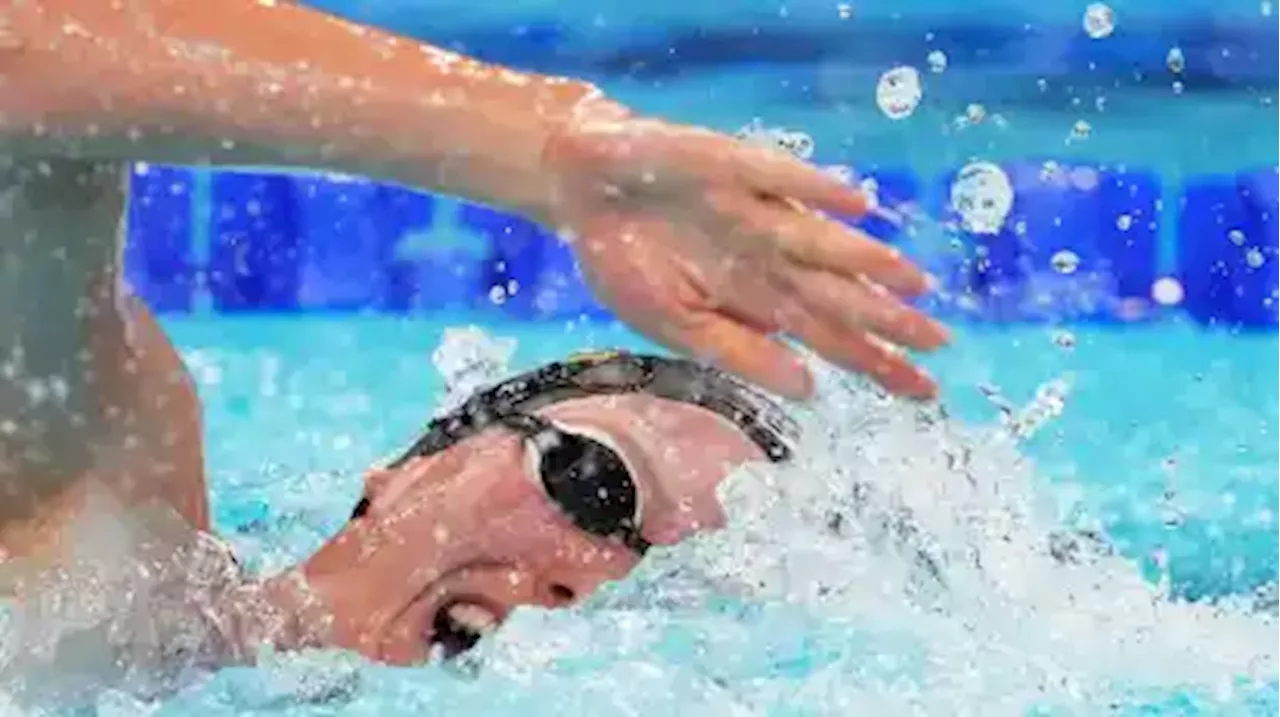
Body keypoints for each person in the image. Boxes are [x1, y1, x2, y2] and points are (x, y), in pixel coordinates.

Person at [0, 0, 951, 698]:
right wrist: (550, 149)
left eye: (683, 591)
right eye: (597, 484)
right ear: (407, 472)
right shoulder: (109, 565)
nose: (596, 583)